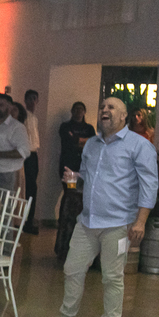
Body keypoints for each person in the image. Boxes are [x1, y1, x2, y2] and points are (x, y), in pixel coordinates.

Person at [38, 97, 158, 317]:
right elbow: (87, 176)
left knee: (112, 278)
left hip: (119, 225)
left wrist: (140, 222)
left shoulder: (139, 145)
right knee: (72, 269)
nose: (105, 110)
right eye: (103, 107)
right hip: (87, 221)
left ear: (124, 116)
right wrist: (75, 177)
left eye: (111, 107)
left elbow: (149, 185)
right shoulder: (91, 144)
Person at [56, 101, 96, 260]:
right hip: (69, 169)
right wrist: (82, 142)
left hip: (84, 169)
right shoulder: (65, 126)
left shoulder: (89, 128)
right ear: (72, 111)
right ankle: (64, 227)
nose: (79, 112)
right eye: (76, 109)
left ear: (84, 112)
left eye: (81, 109)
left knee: (82, 197)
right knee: (70, 195)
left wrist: (78, 140)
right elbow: (70, 142)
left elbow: (92, 145)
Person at [0, 93, 30, 194]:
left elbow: (24, 151)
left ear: (10, 108)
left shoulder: (16, 127)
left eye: (1, 105)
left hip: (4, 174)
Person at [23, 90, 41, 233]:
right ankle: (26, 221)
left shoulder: (34, 118)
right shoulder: (23, 116)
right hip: (26, 154)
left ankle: (29, 219)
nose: (32, 102)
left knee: (32, 188)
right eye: (29, 99)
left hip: (34, 154)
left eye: (34, 99)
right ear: (25, 101)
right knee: (28, 188)